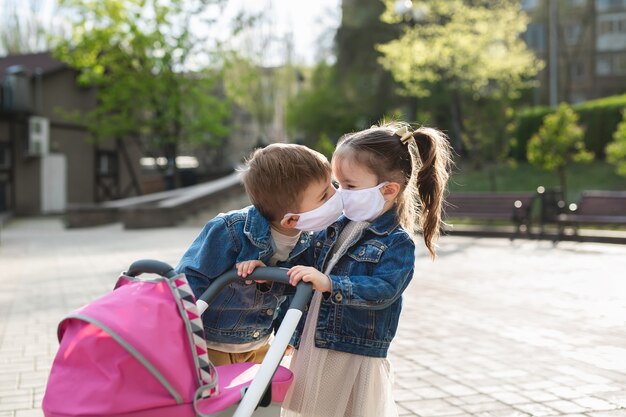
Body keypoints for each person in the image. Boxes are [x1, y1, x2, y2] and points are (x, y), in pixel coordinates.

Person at [283, 122, 453, 417]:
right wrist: (285, 241)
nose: (340, 193)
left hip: (348, 350)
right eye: (338, 184)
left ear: (387, 190)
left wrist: (332, 284)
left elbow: (384, 290)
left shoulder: (395, 242)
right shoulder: (336, 225)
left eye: (349, 186)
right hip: (313, 340)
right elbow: (304, 261)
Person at [175, 143, 343, 366]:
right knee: (215, 399)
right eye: (324, 195)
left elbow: (296, 293)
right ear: (290, 220)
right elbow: (189, 279)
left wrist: (289, 335)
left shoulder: (310, 237)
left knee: (255, 398)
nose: (336, 195)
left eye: (332, 185)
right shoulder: (230, 231)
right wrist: (182, 335)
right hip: (210, 344)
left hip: (259, 342)